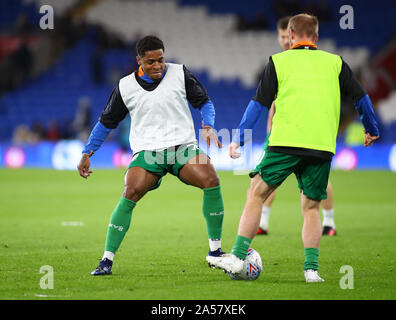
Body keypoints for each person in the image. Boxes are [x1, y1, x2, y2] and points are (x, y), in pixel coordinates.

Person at [208, 14, 379, 283]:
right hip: (322, 146)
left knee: (256, 193)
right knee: (311, 208)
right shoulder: (336, 62)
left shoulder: (279, 61)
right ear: (317, 37)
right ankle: (311, 271)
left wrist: (239, 138)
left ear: (290, 34)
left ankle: (239, 257)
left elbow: (259, 104)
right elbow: (361, 97)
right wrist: (371, 128)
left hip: (285, 143)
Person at [77, 35, 226, 276]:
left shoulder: (180, 73)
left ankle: (216, 252)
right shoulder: (125, 86)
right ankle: (106, 260)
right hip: (148, 151)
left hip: (183, 147)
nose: (157, 66)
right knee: (130, 191)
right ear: (139, 61)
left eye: (161, 60)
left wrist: (208, 125)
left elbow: (205, 102)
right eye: (150, 61)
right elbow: (106, 122)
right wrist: (87, 152)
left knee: (211, 178)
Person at [258, 16, 337, 236]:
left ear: (292, 34)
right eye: (281, 36)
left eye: (286, 36)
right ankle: (262, 222)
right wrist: (270, 128)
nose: (284, 40)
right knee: (267, 178)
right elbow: (274, 101)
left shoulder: (301, 61)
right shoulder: (280, 61)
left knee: (319, 180)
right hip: (282, 131)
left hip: (304, 129)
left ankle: (329, 223)